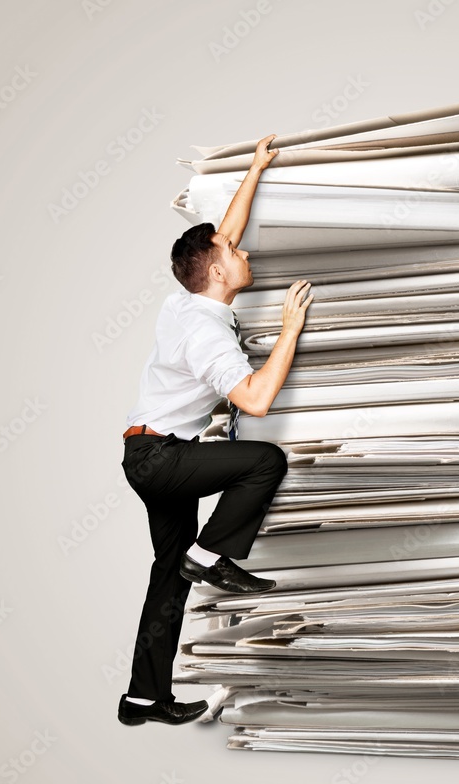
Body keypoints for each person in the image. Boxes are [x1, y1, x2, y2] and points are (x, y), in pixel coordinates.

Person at [117, 135, 313, 726]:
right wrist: (289, 330)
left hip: (145, 454)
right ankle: (210, 555)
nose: (242, 249)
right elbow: (253, 400)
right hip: (160, 460)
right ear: (220, 269)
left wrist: (255, 168)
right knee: (265, 461)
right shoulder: (205, 333)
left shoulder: (188, 300)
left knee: (166, 580)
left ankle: (142, 698)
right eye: (234, 249)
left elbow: (221, 236)